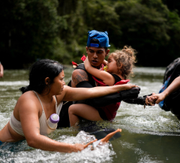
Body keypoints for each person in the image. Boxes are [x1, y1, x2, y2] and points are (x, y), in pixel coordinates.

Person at [0, 59, 137, 152]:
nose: (64, 83)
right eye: (60, 79)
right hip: (6, 148)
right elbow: (33, 140)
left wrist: (121, 88)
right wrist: (72, 147)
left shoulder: (59, 94)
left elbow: (91, 92)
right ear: (47, 81)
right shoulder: (29, 101)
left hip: (24, 149)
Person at [58, 30, 141, 128]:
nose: (94, 56)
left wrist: (142, 100)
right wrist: (123, 94)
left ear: (106, 52)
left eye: (99, 52)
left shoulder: (107, 70)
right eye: (91, 51)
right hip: (67, 124)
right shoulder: (79, 73)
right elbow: (94, 100)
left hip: (91, 120)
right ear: (87, 50)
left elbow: (114, 94)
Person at [69, 46, 136, 126]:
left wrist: (88, 57)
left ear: (120, 65)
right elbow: (108, 65)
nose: (106, 64)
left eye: (109, 61)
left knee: (72, 109)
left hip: (101, 114)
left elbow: (88, 68)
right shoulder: (120, 78)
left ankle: (74, 133)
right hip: (109, 114)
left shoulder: (109, 77)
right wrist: (102, 59)